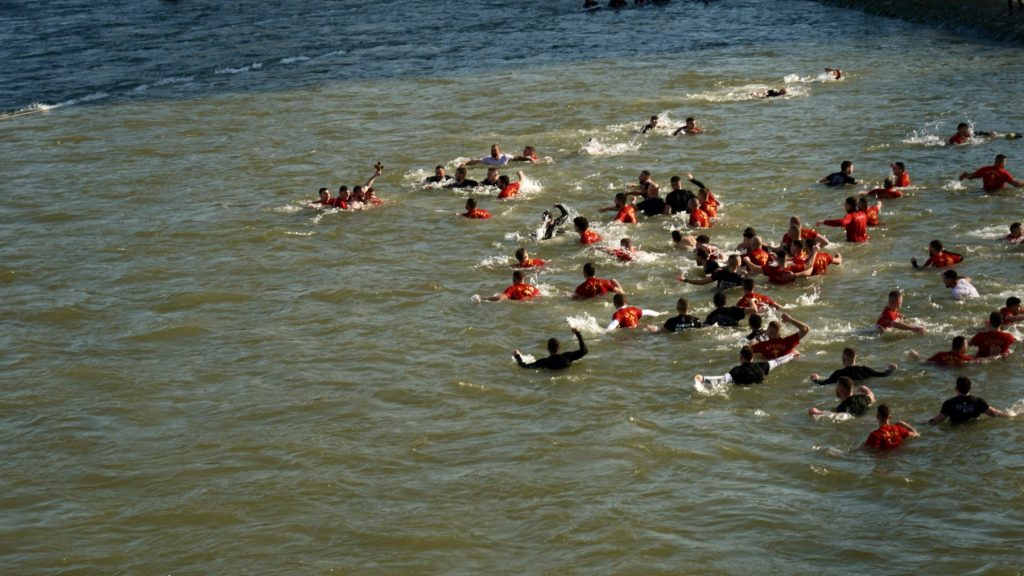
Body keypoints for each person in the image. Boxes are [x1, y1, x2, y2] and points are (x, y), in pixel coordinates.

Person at [694, 346, 796, 386]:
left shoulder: (736, 371)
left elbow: (721, 380)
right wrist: (791, 355)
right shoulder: (762, 366)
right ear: (753, 356)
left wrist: (703, 379)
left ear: (741, 357)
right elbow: (777, 361)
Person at [927, 377, 1008, 424]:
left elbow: (936, 420)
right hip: (974, 429)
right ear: (970, 388)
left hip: (956, 431)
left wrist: (923, 424)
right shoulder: (978, 401)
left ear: (956, 388)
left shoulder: (949, 403)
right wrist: (1013, 414)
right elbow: (995, 413)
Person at [811, 347, 897, 385]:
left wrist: (815, 379)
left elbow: (823, 383)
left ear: (843, 359)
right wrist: (891, 369)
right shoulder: (866, 370)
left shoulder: (839, 374)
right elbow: (883, 375)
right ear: (855, 358)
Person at [514, 328, 587, 369]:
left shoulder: (544, 362)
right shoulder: (567, 357)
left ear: (548, 349)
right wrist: (578, 333)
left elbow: (525, 366)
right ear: (559, 347)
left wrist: (517, 356)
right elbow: (584, 351)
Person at [808, 376, 874, 417]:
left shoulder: (842, 408)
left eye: (837, 387)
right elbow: (871, 396)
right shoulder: (862, 398)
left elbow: (833, 415)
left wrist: (818, 412)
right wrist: (865, 389)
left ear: (841, 390)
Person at [959, 154, 1023, 192]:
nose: (1005, 164)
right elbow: (1016, 184)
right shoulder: (1004, 173)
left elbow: (971, 176)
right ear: (1003, 163)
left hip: (985, 191)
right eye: (1005, 162)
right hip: (997, 194)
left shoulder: (984, 169)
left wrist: (964, 175)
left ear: (995, 161)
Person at [680, 254, 745, 291]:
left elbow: (702, 282)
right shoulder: (740, 278)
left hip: (717, 295)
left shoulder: (720, 273)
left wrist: (686, 280)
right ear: (739, 264)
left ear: (728, 262)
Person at [909, 335, 975, 366]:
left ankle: (914, 356)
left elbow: (926, 362)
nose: (967, 346)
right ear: (963, 347)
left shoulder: (940, 354)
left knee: (921, 360)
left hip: (939, 369)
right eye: (966, 344)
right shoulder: (966, 358)